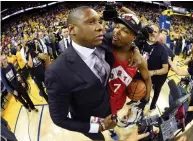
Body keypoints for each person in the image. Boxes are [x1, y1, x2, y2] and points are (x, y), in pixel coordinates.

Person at [45, 6, 142, 141]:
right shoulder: (57, 72)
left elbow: (130, 35)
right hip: (88, 119)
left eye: (99, 21)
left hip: (108, 105)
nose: (100, 27)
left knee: (112, 124)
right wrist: (99, 126)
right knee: (99, 138)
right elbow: (59, 119)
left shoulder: (103, 40)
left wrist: (135, 49)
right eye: (91, 22)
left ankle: (111, 128)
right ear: (72, 29)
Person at [106, 13, 152, 116]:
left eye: (125, 31)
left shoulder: (139, 60)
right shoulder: (105, 47)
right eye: (117, 27)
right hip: (99, 103)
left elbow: (148, 79)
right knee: (97, 126)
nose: (117, 31)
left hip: (118, 103)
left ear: (133, 37)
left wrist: (145, 99)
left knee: (110, 123)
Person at [168, 42, 193, 125]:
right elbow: (178, 71)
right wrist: (168, 59)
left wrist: (187, 108)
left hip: (190, 110)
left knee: (178, 126)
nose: (190, 54)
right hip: (186, 100)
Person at [140, 24, 169, 111]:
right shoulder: (141, 43)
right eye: (150, 31)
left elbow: (165, 69)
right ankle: (141, 106)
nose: (152, 33)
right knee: (140, 90)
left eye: (155, 32)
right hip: (144, 74)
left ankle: (153, 105)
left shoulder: (163, 49)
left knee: (156, 91)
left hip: (157, 77)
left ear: (159, 34)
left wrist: (153, 72)